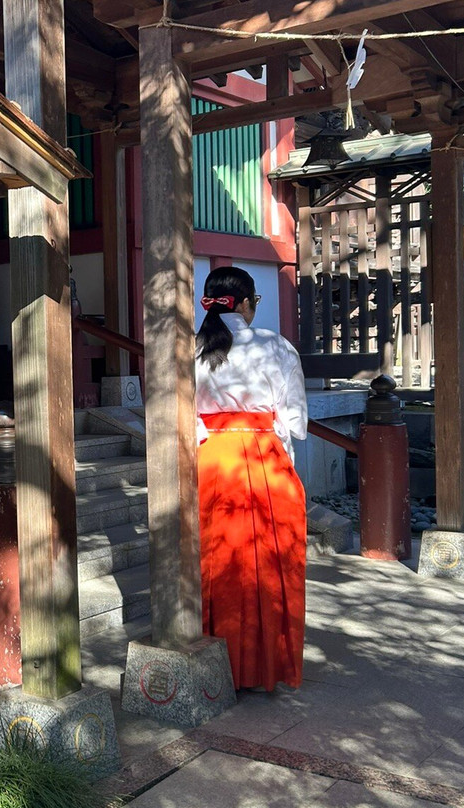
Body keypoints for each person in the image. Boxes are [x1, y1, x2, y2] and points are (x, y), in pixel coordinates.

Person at [195, 266, 308, 692]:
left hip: (213, 462)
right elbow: (295, 422)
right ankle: (265, 665)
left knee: (216, 564)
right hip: (264, 459)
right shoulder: (276, 346)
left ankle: (214, 665)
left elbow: (181, 420)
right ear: (244, 303)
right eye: (255, 301)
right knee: (272, 565)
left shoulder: (190, 350)